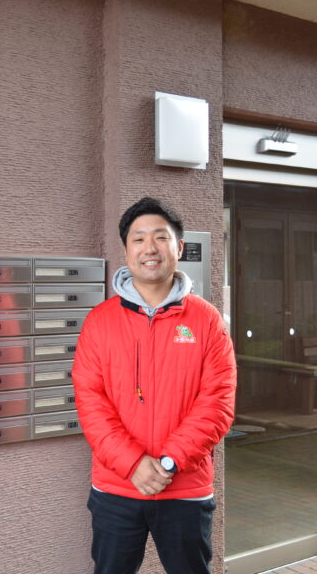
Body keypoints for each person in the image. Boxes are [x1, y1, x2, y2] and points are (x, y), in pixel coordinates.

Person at [72, 197, 237, 574]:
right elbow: (90, 400)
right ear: (126, 250)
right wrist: (132, 464)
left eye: (161, 238)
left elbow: (218, 401)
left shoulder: (206, 321)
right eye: (138, 239)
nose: (150, 248)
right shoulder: (100, 322)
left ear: (179, 247)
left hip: (185, 487)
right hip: (115, 487)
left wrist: (167, 462)